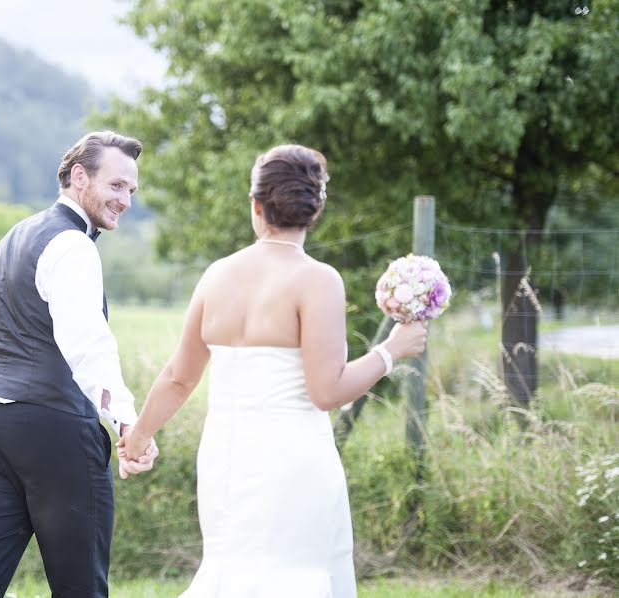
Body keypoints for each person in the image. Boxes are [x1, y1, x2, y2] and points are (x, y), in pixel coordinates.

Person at [118, 144, 428, 597]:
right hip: (292, 461)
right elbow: (327, 391)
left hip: (226, 459)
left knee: (233, 574)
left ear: (256, 206)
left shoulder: (217, 275)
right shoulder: (318, 279)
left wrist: (139, 437)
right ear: (315, 209)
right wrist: (390, 352)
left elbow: (178, 377)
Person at [0, 131, 158, 598]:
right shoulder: (73, 245)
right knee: (80, 587)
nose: (125, 200)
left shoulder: (14, 237)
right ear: (80, 177)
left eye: (131, 191)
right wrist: (128, 422)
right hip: (54, 433)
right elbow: (88, 345)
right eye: (117, 186)